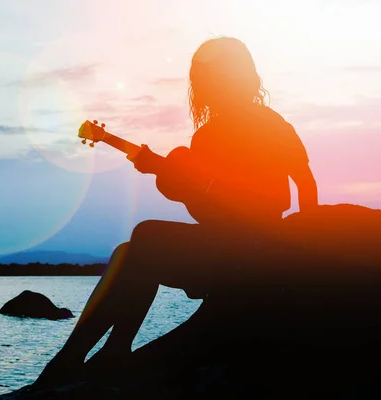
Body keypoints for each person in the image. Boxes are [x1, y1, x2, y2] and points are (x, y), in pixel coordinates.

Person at [32, 36, 318, 389]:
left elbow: (238, 203)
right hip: (249, 244)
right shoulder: (270, 124)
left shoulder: (222, 134)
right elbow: (295, 186)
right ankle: (108, 350)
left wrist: (301, 246)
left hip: (250, 251)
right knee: (128, 252)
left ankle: (82, 356)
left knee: (147, 236)